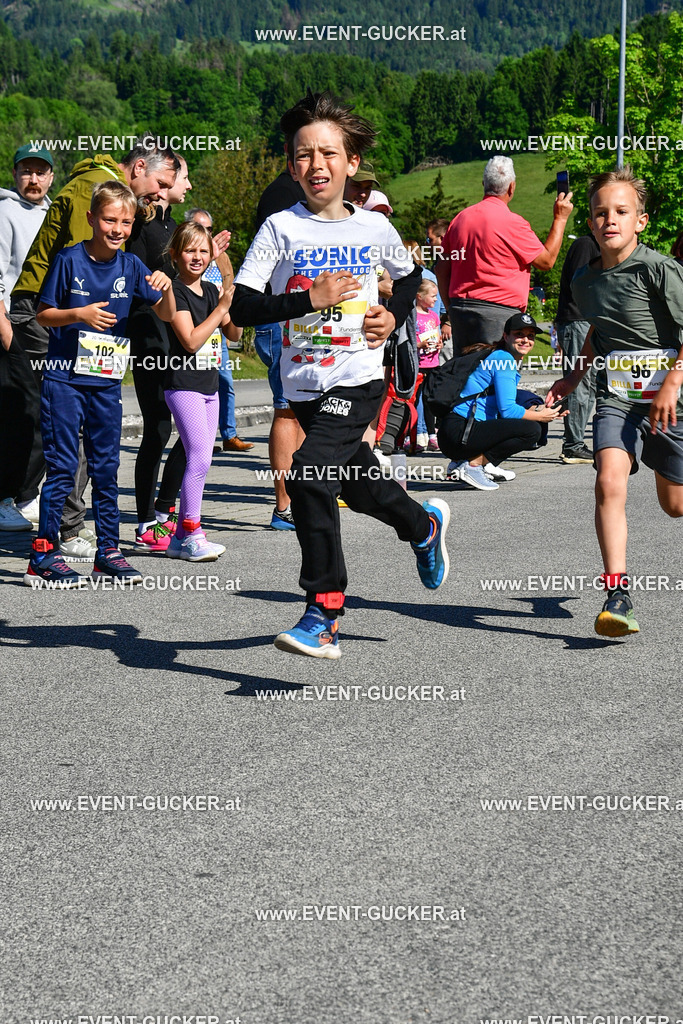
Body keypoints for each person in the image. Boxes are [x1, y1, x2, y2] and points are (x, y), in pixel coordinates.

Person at [231, 90, 450, 660]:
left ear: (351, 164)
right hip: (304, 385)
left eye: (328, 153)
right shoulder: (280, 229)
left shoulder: (373, 230)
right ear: (291, 165)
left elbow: (408, 278)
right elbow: (243, 307)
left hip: (358, 382)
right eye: (304, 155)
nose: (316, 165)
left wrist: (392, 314)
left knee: (307, 476)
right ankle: (422, 526)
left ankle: (323, 611)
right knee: (356, 484)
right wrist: (308, 298)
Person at [10, 136, 179, 555]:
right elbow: (49, 308)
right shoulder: (74, 251)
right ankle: (52, 541)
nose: (119, 230)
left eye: (127, 223)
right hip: (64, 368)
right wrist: (79, 314)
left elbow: (166, 311)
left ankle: (106, 550)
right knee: (62, 455)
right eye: (110, 222)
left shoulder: (130, 262)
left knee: (105, 464)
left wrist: (166, 285)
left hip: (105, 375)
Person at [546, 168, 683, 637]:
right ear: (589, 221)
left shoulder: (659, 269)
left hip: (671, 402)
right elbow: (598, 335)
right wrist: (573, 378)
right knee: (609, 480)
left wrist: (671, 382)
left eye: (621, 212)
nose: (610, 220)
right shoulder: (585, 281)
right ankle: (617, 593)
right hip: (618, 398)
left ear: (640, 221)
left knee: (675, 505)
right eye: (601, 213)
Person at [435, 156, 573, 356]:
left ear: (484, 184)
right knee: (499, 374)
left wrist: (451, 307)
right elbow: (546, 261)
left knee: (465, 375)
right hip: (499, 312)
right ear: (511, 187)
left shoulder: (459, 220)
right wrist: (560, 218)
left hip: (461, 309)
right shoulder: (513, 223)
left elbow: (441, 269)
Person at [128, 155, 193, 551]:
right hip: (148, 329)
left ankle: (166, 509)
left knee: (193, 427)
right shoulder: (143, 221)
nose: (186, 185)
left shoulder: (175, 227)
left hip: (181, 332)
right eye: (183, 177)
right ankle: (144, 520)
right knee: (157, 428)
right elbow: (133, 271)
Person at [163, 220, 237, 561]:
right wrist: (220, 310)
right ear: (175, 254)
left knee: (202, 459)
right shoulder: (174, 292)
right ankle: (192, 529)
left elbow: (234, 334)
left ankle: (179, 537)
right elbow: (191, 341)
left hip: (210, 386)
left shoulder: (209, 292)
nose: (197, 257)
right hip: (183, 385)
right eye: (190, 250)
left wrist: (227, 287)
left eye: (204, 251)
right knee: (200, 458)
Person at [438, 313, 564, 491]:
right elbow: (508, 411)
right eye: (519, 334)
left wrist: (543, 410)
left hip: (454, 432)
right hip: (460, 432)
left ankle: (461, 463)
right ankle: (474, 465)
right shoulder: (503, 360)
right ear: (506, 336)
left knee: (525, 409)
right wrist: (540, 417)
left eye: (530, 336)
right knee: (531, 430)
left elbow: (505, 403)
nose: (525, 340)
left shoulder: (498, 356)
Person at [0, 144, 54, 532]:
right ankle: (7, 499)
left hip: (47, 323)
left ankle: (26, 495)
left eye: (40, 172)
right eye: (26, 171)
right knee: (20, 414)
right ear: (15, 174)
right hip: (12, 324)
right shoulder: (5, 212)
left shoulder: (55, 213)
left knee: (43, 413)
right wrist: (3, 326)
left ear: (51, 176)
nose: (33, 179)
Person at [253, 163, 306, 530]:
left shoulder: (296, 194)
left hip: (296, 315)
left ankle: (299, 498)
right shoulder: (283, 196)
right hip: (279, 314)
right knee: (286, 408)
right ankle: (285, 505)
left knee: (300, 405)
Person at [184, 208, 252, 455]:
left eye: (209, 229)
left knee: (224, 382)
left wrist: (234, 309)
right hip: (192, 328)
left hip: (217, 330)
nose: (206, 234)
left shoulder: (221, 257)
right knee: (194, 388)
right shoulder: (188, 257)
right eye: (200, 227)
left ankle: (229, 434)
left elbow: (229, 285)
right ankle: (200, 437)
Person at [555, 233, 600, 464]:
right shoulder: (587, 244)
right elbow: (579, 285)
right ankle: (573, 445)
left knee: (588, 382)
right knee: (579, 382)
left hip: (586, 321)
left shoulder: (598, 245)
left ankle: (576, 442)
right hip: (577, 320)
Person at [414, 280, 443, 451]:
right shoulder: (413, 316)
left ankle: (432, 435)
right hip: (419, 363)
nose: (435, 299)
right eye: (432, 296)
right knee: (415, 399)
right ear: (420, 296)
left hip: (433, 363)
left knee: (430, 398)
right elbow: (410, 339)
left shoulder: (433, 315)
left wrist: (439, 344)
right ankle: (416, 434)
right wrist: (419, 345)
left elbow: (437, 336)